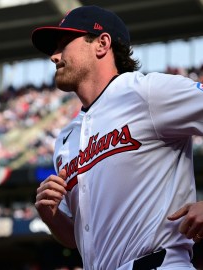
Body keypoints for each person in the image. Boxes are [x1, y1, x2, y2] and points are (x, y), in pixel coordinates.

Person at [31, 5, 203, 269]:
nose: (54, 56)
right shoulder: (65, 139)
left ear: (102, 43)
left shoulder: (146, 93)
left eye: (64, 43)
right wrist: (50, 216)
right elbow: (75, 239)